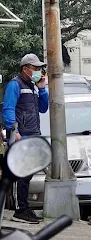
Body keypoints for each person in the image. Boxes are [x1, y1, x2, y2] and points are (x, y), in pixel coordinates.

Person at [1, 53, 48, 224]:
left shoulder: (34, 86)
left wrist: (42, 89)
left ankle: (24, 208)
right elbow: (8, 109)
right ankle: (20, 210)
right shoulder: (15, 85)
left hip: (33, 133)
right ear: (25, 68)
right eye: (35, 68)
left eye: (39, 68)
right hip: (22, 135)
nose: (38, 71)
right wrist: (15, 132)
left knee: (27, 174)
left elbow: (43, 109)